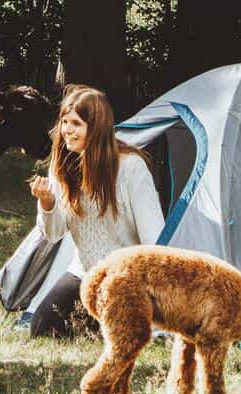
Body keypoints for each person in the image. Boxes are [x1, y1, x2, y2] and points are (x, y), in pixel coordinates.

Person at [28, 84, 165, 338]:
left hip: (125, 277)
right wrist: (47, 202)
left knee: (121, 335)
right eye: (65, 121)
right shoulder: (63, 166)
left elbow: (154, 239)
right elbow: (53, 233)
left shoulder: (131, 168)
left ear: (97, 127)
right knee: (42, 328)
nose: (67, 130)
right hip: (84, 273)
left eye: (76, 123)